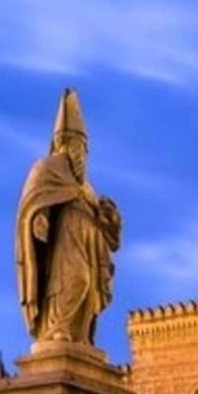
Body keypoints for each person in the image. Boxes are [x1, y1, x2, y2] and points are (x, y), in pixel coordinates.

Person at [15, 88, 122, 345]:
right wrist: (39, 217)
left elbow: (109, 233)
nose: (80, 151)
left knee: (89, 290)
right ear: (61, 141)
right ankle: (56, 327)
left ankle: (79, 334)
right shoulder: (47, 168)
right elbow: (35, 199)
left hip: (89, 241)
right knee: (75, 280)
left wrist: (109, 220)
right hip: (66, 237)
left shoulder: (87, 187)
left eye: (83, 147)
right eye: (74, 143)